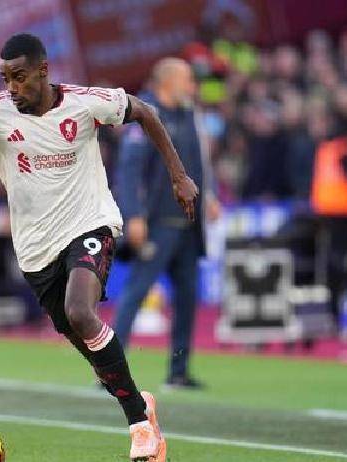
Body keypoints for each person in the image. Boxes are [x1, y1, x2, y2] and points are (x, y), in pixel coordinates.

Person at [0, 34, 198, 462]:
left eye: (19, 77)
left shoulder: (85, 103)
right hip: (36, 249)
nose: (12, 87)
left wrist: (178, 176)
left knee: (80, 311)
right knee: (87, 344)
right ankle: (141, 406)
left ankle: (139, 428)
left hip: (90, 224)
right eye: (5, 78)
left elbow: (146, 112)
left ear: (43, 70)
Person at [112, 58, 215, 390]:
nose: (192, 86)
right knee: (136, 293)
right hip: (157, 223)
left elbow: (196, 164)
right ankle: (111, 371)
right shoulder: (144, 114)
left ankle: (178, 371)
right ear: (167, 81)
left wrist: (209, 196)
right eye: (186, 79)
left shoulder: (188, 114)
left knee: (187, 299)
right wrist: (134, 214)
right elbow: (129, 171)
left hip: (188, 224)